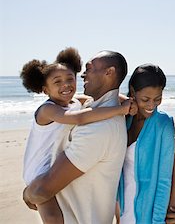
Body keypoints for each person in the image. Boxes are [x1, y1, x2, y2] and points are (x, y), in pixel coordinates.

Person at [20, 48, 131, 223]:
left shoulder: (99, 126)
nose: (83, 75)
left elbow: (41, 191)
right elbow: (80, 115)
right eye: (57, 82)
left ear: (109, 72)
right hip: (37, 170)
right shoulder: (61, 108)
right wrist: (121, 106)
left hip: (46, 185)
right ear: (45, 89)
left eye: (89, 69)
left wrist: (28, 194)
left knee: (50, 213)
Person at [117, 63, 175, 224]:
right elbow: (96, 99)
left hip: (146, 216)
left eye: (157, 99)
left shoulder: (163, 124)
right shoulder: (123, 118)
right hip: (119, 210)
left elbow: (164, 180)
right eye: (145, 99)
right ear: (133, 92)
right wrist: (125, 102)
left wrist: (157, 221)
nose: (151, 105)